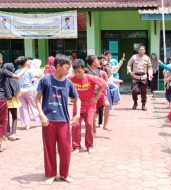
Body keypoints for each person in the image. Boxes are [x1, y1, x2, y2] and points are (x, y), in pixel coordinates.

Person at [36, 54, 81, 185]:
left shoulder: (69, 83)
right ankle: (50, 174)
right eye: (67, 68)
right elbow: (37, 99)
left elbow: (77, 99)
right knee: (49, 149)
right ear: (58, 66)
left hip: (64, 121)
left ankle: (64, 174)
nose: (69, 71)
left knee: (66, 149)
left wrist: (77, 114)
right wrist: (42, 115)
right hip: (48, 121)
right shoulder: (45, 80)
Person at [70, 59, 107, 154]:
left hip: (90, 106)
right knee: (76, 127)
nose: (77, 74)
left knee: (90, 125)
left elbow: (104, 84)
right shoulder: (71, 79)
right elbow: (65, 88)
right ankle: (76, 147)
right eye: (75, 72)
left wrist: (97, 96)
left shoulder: (90, 78)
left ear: (84, 69)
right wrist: (71, 96)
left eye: (79, 71)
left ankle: (90, 145)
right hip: (77, 107)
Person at [0, 53, 28, 152]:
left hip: (4, 99)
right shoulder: (5, 74)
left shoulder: (4, 74)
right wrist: (26, 67)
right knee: (8, 119)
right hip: (5, 100)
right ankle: (7, 138)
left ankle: (5, 135)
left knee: (4, 119)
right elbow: (17, 79)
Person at [15, 56, 44, 130]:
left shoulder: (17, 71)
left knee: (23, 108)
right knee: (34, 105)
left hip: (20, 91)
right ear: (25, 63)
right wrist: (43, 69)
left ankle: (27, 124)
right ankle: (40, 119)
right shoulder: (29, 71)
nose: (29, 62)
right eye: (27, 61)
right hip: (29, 90)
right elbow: (39, 76)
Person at [127, 45, 153, 111]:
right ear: (138, 50)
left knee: (144, 92)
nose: (141, 51)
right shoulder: (134, 57)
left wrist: (150, 74)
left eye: (142, 50)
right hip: (135, 76)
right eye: (140, 49)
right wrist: (130, 72)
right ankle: (135, 103)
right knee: (134, 90)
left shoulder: (147, 58)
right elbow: (129, 64)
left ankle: (143, 105)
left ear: (145, 51)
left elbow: (150, 67)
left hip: (144, 77)